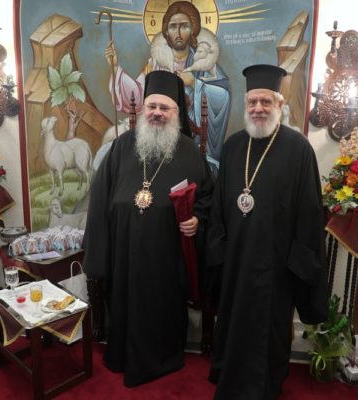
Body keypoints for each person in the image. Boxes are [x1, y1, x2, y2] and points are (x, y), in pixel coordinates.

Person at [83, 70, 214, 387]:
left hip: (166, 257)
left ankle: (162, 357)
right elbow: (99, 198)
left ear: (176, 112)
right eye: (152, 106)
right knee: (124, 302)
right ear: (143, 109)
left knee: (161, 307)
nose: (157, 113)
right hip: (124, 253)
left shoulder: (190, 153)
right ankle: (122, 354)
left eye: (164, 108)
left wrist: (198, 220)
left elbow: (208, 200)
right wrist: (98, 256)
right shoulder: (120, 147)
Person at [206, 64, 328, 399]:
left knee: (269, 329)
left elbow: (309, 212)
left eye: (265, 102)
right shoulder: (233, 146)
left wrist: (297, 264)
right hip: (236, 260)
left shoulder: (298, 149)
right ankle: (229, 375)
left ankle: (265, 386)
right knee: (232, 321)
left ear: (279, 104)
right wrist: (219, 250)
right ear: (245, 104)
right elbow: (219, 207)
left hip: (276, 266)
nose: (258, 108)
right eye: (252, 102)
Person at [105, 1, 230, 174]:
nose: (178, 33)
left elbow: (223, 95)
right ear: (166, 31)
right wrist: (116, 67)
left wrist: (195, 83)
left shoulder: (204, 62)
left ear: (193, 29)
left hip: (191, 146)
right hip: (158, 141)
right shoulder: (155, 63)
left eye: (184, 26)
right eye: (173, 27)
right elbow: (136, 97)